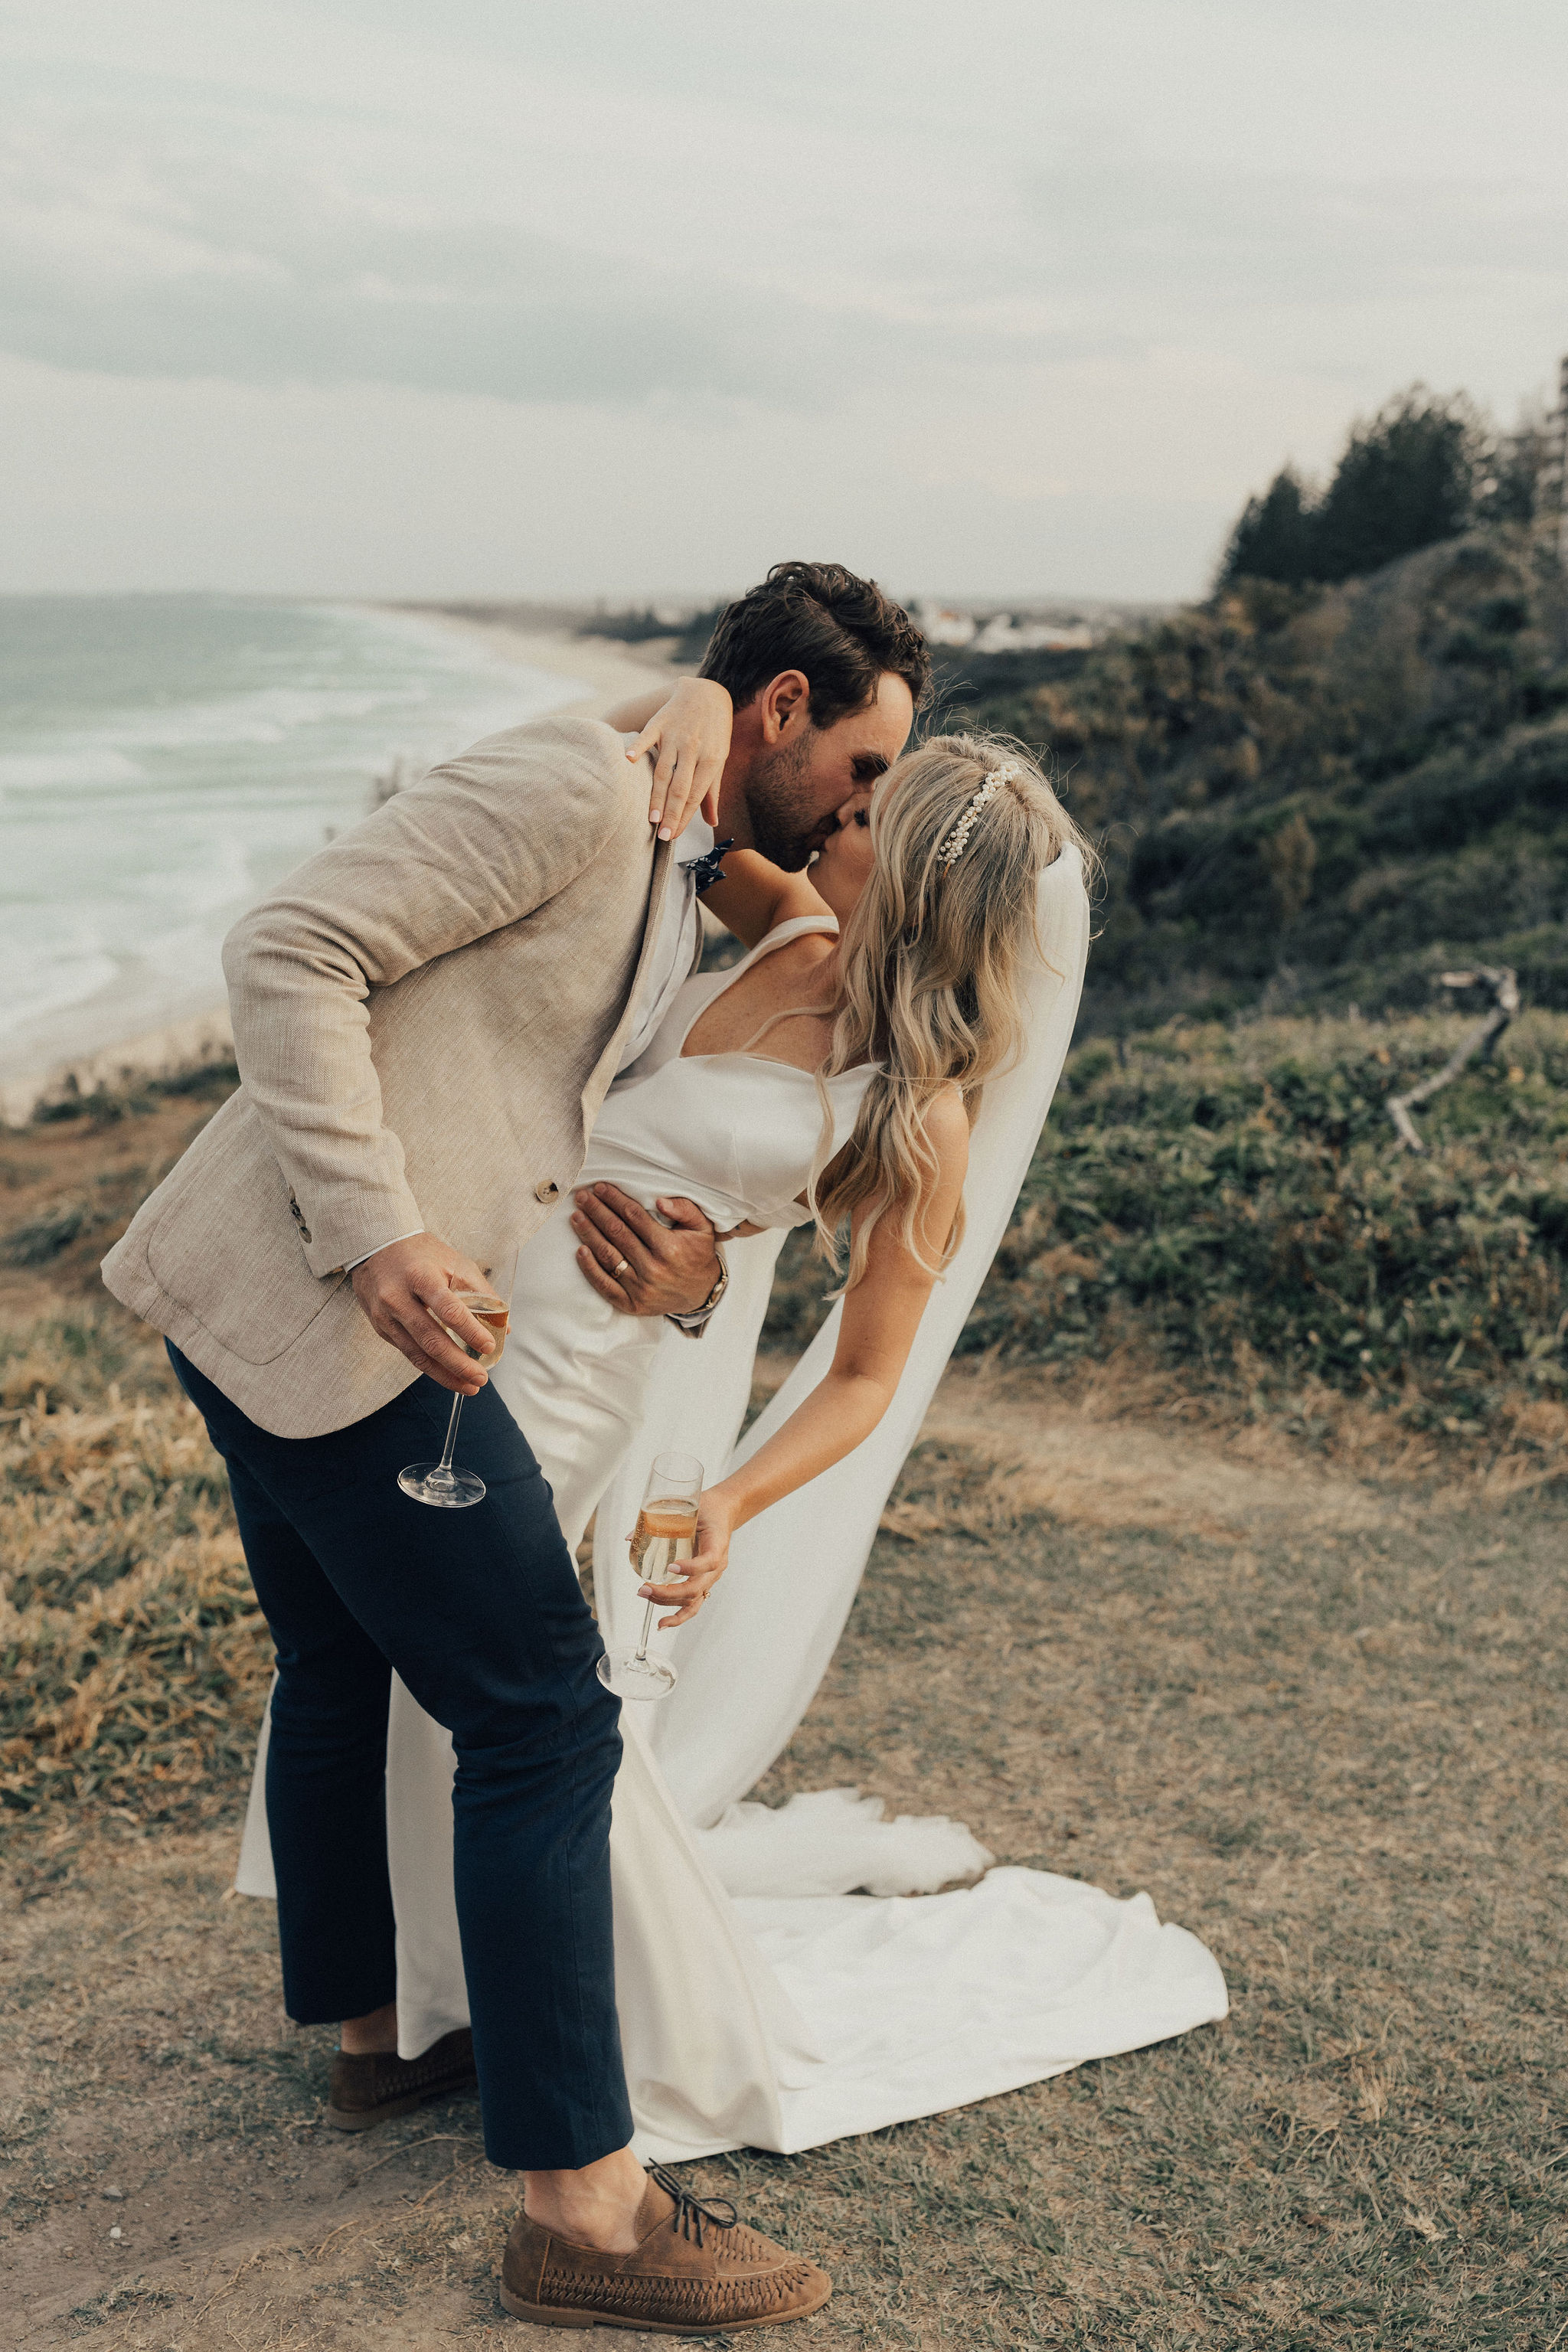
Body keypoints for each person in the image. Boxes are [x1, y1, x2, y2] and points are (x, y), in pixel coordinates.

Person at [236, 721, 1229, 2295]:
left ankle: (512, 2103)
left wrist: (731, 1497)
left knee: (510, 1708)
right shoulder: (794, 914)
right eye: (859, 786)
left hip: (566, 1388)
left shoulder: (918, 1110)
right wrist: (697, 703)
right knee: (399, 1671)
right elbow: (674, 819)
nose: (838, 810)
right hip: (458, 1297)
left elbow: (860, 1376)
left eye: (872, 812)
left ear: (908, 878)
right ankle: (408, 2030)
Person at [101, 563, 930, 2337]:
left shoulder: (678, 832)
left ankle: (375, 2038)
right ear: (780, 711)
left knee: (335, 1659)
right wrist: (383, 1236)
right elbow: (287, 948)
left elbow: (622, 1064)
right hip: (342, 1305)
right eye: (856, 772)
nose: (857, 813)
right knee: (543, 1712)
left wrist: (698, 1279)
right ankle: (588, 2208)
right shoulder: (581, 786)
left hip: (278, 1299)